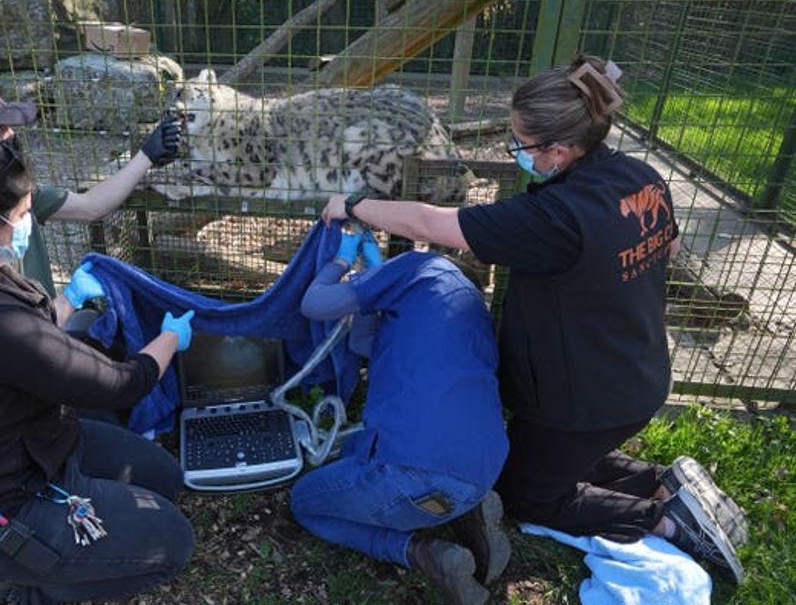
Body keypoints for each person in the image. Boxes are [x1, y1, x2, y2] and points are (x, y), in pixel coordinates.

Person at [320, 55, 747, 585]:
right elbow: (670, 242)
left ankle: (666, 521)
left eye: (520, 145)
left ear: (559, 150)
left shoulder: (553, 219)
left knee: (527, 496)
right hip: (635, 367)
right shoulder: (640, 176)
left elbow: (432, 223)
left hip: (581, 397)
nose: (517, 153)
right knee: (534, 460)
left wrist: (354, 206)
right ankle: (662, 480)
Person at [0, 133, 197, 603]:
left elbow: (36, 335)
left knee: (165, 480)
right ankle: (11, 582)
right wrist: (170, 338)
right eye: (26, 214)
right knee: (172, 543)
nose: (31, 222)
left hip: (41, 443)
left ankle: (65, 526)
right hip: (4, 499)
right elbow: (120, 384)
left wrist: (67, 301)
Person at [290, 227, 510, 604]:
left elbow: (314, 303)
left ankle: (422, 553)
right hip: (485, 468)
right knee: (356, 451)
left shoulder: (419, 267)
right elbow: (364, 344)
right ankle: (464, 510)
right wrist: (372, 291)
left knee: (304, 504)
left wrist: (343, 261)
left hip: (411, 472)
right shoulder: (469, 311)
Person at [0, 78, 181, 313]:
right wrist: (67, 302)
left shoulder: (11, 193)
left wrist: (147, 155)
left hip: (39, 326)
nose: (11, 134)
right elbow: (11, 333)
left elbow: (91, 206)